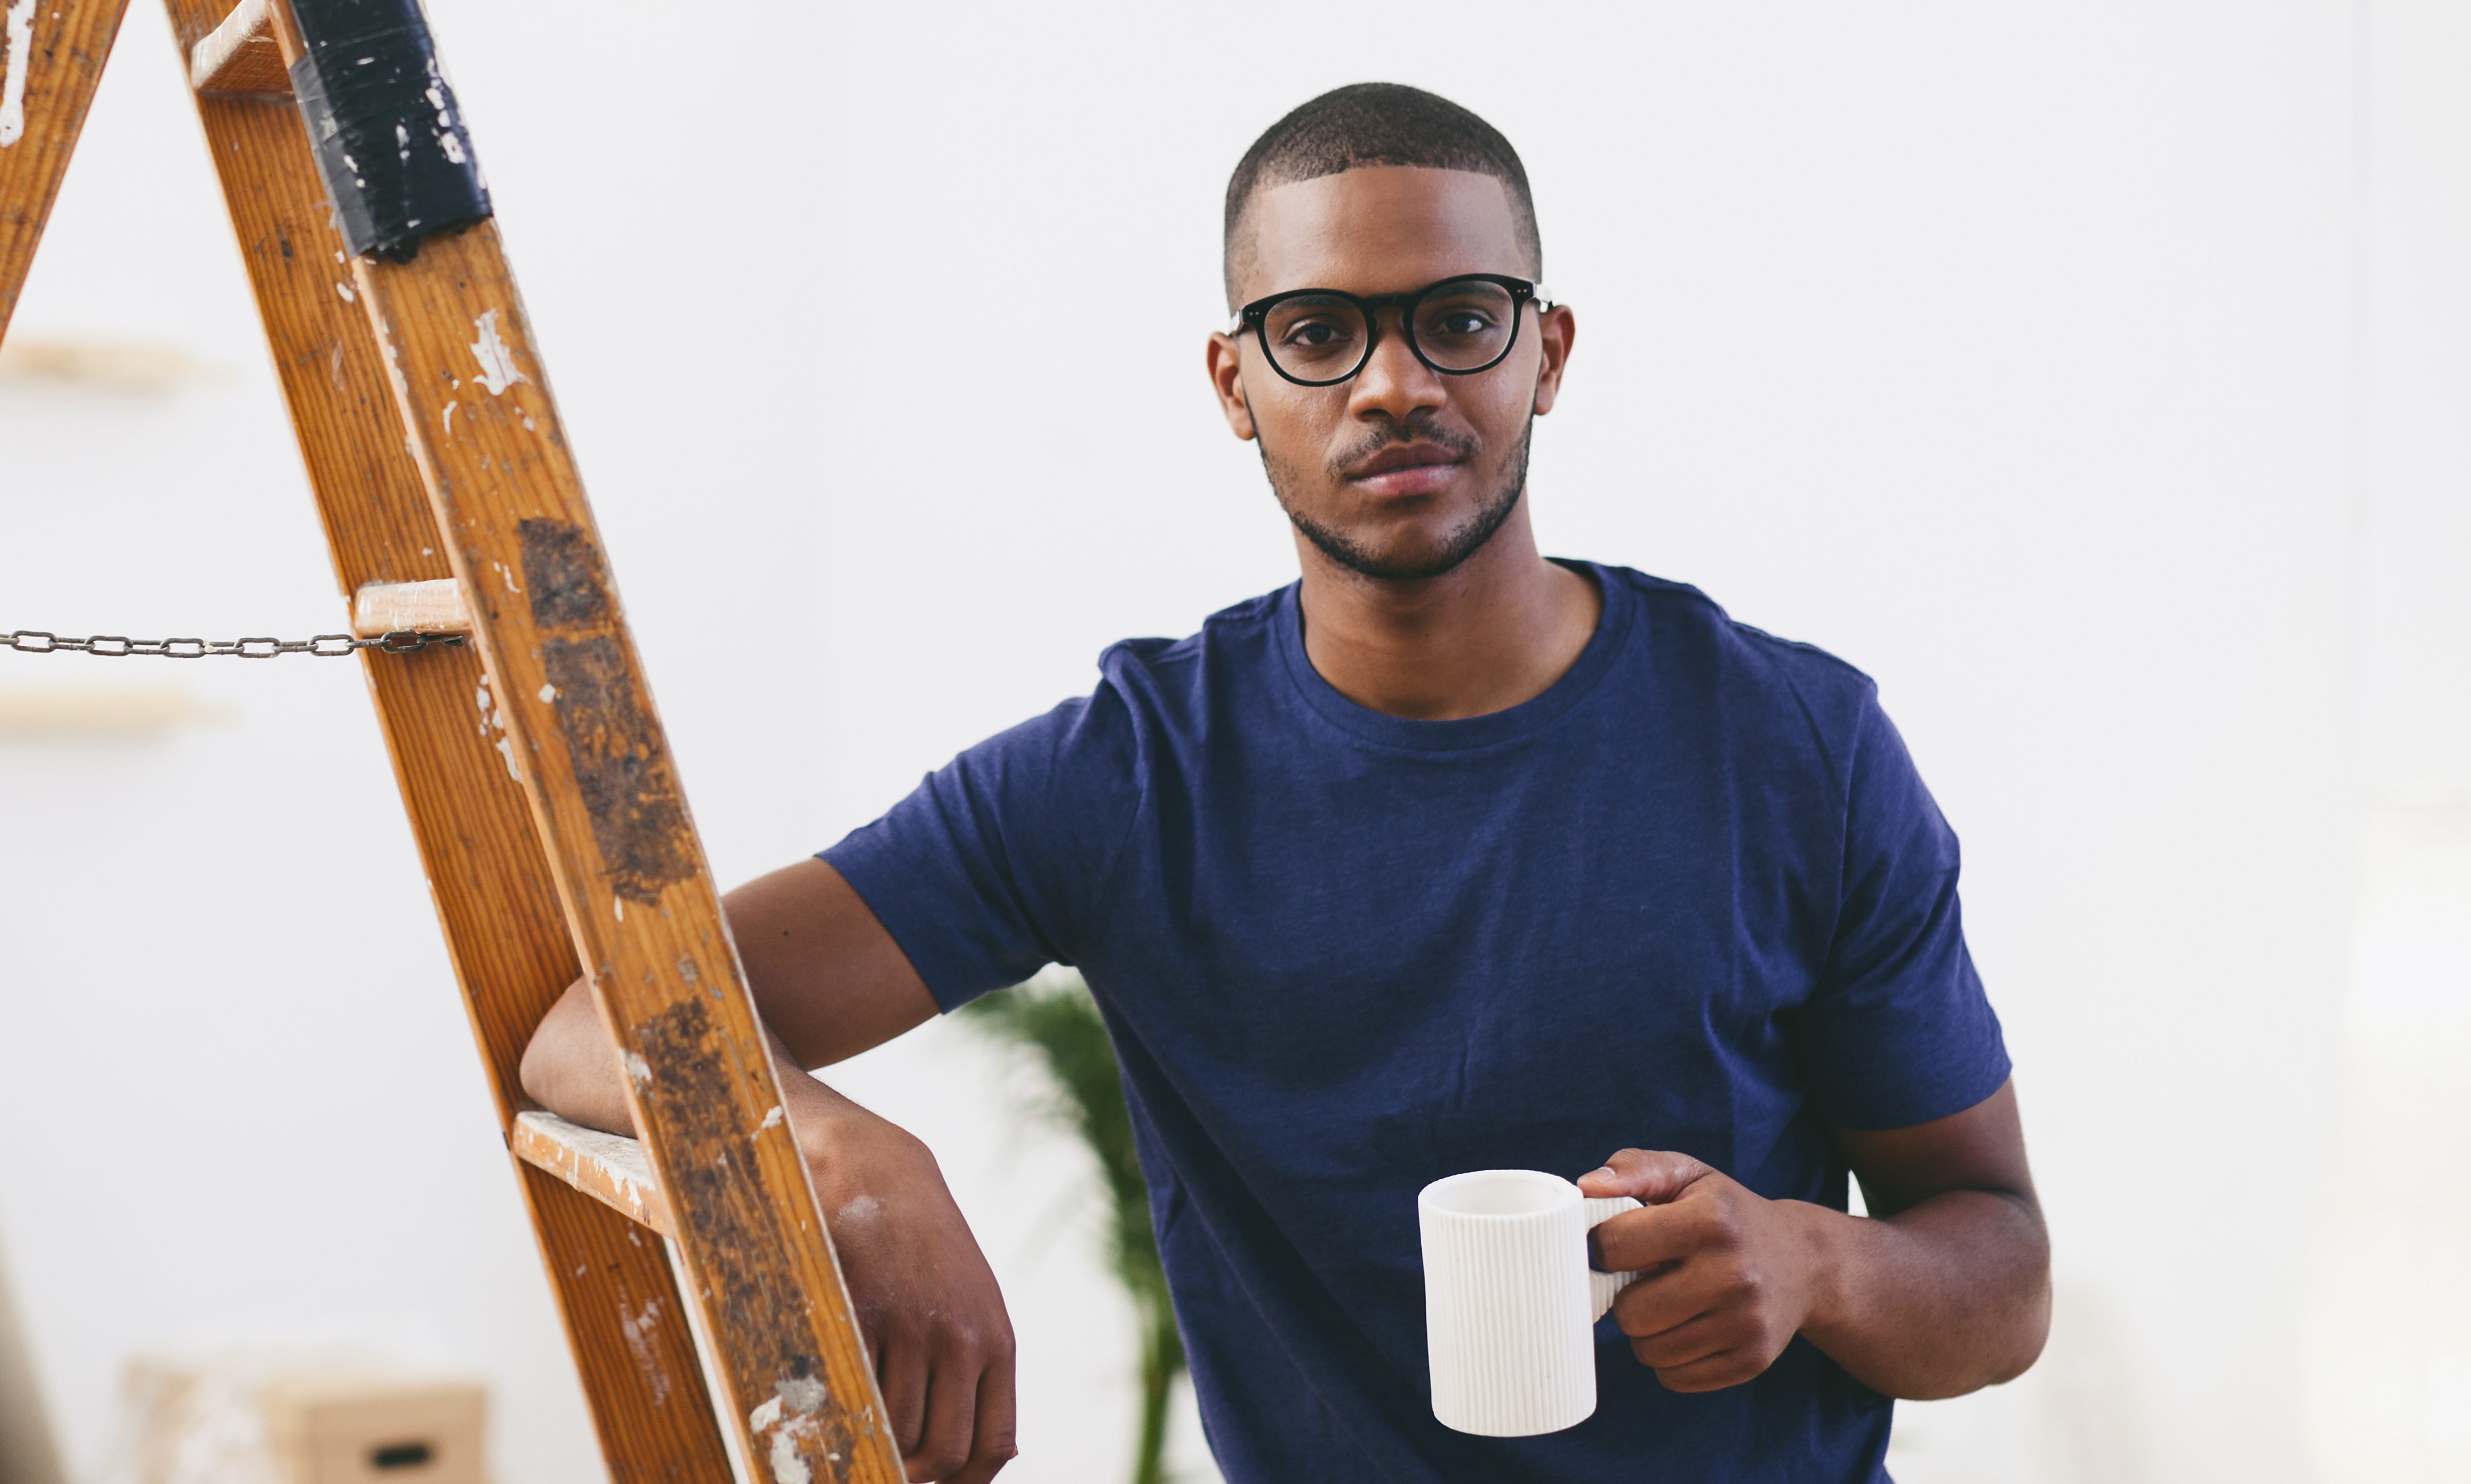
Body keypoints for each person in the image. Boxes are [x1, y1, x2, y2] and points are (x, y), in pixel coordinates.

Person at [519, 84, 2048, 1483]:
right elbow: (593, 1026)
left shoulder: (1795, 746)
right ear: (1235, 381)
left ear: (1548, 352)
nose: (1394, 384)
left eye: (1459, 318)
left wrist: (1814, 1263)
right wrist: (849, 1155)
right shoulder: (1129, 778)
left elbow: (2001, 1273)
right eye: (1319, 332)